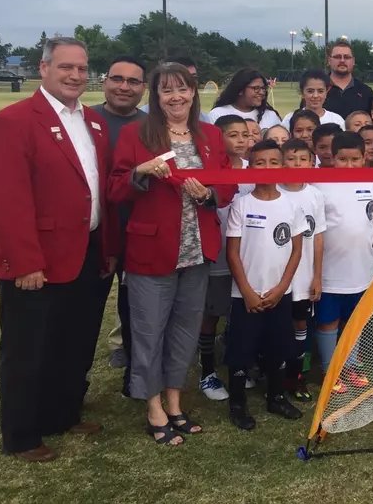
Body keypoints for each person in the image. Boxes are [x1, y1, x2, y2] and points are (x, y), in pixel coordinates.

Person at [0, 36, 119, 462]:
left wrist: (107, 248)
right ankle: (22, 435)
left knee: (74, 342)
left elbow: (98, 191)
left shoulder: (93, 122)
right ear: (43, 69)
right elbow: (8, 200)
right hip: (37, 261)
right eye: (66, 67)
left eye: (81, 68)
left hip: (86, 252)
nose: (76, 76)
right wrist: (25, 261)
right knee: (28, 350)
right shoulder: (14, 121)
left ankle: (63, 413)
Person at [109, 62, 237, 445]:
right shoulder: (137, 134)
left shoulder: (211, 135)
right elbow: (116, 190)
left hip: (197, 253)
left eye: (182, 89)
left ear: (194, 92)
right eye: (167, 91)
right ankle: (153, 407)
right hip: (152, 251)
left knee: (184, 331)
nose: (176, 97)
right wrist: (141, 173)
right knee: (149, 333)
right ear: (156, 96)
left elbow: (227, 183)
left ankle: (175, 401)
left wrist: (210, 195)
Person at [225, 140, 306, 430]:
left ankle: (276, 396)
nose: (267, 168)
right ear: (251, 165)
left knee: (277, 348)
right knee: (240, 351)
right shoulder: (242, 204)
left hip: (278, 294)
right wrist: (247, 291)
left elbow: (296, 250)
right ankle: (237, 403)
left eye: (274, 162)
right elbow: (232, 253)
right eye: (260, 163)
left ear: (282, 165)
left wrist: (282, 286)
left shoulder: (291, 204)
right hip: (246, 295)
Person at [90, 55, 148, 381]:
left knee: (135, 308)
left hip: (138, 233)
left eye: (133, 81)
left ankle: (136, 374)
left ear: (143, 88)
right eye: (117, 79)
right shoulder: (84, 120)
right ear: (105, 81)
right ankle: (71, 381)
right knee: (86, 311)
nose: (124, 87)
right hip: (95, 233)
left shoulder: (150, 127)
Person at [314, 131, 373, 394]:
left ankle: (352, 365)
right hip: (330, 270)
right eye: (343, 160)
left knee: (354, 320)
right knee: (329, 321)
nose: (349, 165)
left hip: (361, 268)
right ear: (332, 158)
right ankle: (331, 369)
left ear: (365, 157)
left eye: (355, 159)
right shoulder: (321, 185)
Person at [198, 115, 253, 402]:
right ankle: (207, 370)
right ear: (219, 139)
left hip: (248, 260)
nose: (241, 140)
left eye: (245, 134)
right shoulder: (211, 171)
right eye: (233, 135)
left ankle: (239, 365)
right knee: (211, 314)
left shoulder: (255, 170)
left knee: (240, 315)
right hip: (218, 257)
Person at [278, 139, 325, 401]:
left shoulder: (315, 194)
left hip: (305, 275)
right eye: (291, 158)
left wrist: (317, 275)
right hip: (279, 277)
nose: (297, 164)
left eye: (302, 159)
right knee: (278, 326)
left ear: (311, 162)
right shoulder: (274, 191)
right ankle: (276, 373)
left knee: (300, 325)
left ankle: (298, 376)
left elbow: (318, 238)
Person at [139, 56, 212, 123]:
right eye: (167, 90)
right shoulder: (143, 118)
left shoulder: (204, 120)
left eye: (193, 77)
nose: (189, 82)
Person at [210, 68, 282, 130]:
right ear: (240, 90)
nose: (262, 92)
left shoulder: (270, 115)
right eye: (256, 88)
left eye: (263, 88)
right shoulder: (217, 114)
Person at [325, 41, 373, 117]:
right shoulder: (318, 90)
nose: (342, 60)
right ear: (329, 61)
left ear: (353, 61)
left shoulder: (366, 92)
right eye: (337, 57)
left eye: (347, 57)